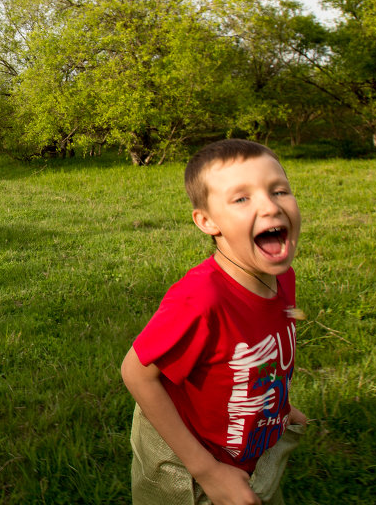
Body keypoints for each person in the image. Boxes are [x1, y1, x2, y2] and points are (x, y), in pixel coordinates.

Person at [120, 139, 308, 505]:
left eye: (280, 190)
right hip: (193, 464)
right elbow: (136, 373)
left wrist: (279, 408)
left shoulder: (283, 277)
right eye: (242, 198)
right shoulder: (201, 299)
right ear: (207, 222)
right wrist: (206, 470)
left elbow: (261, 353)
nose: (270, 206)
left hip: (249, 444)